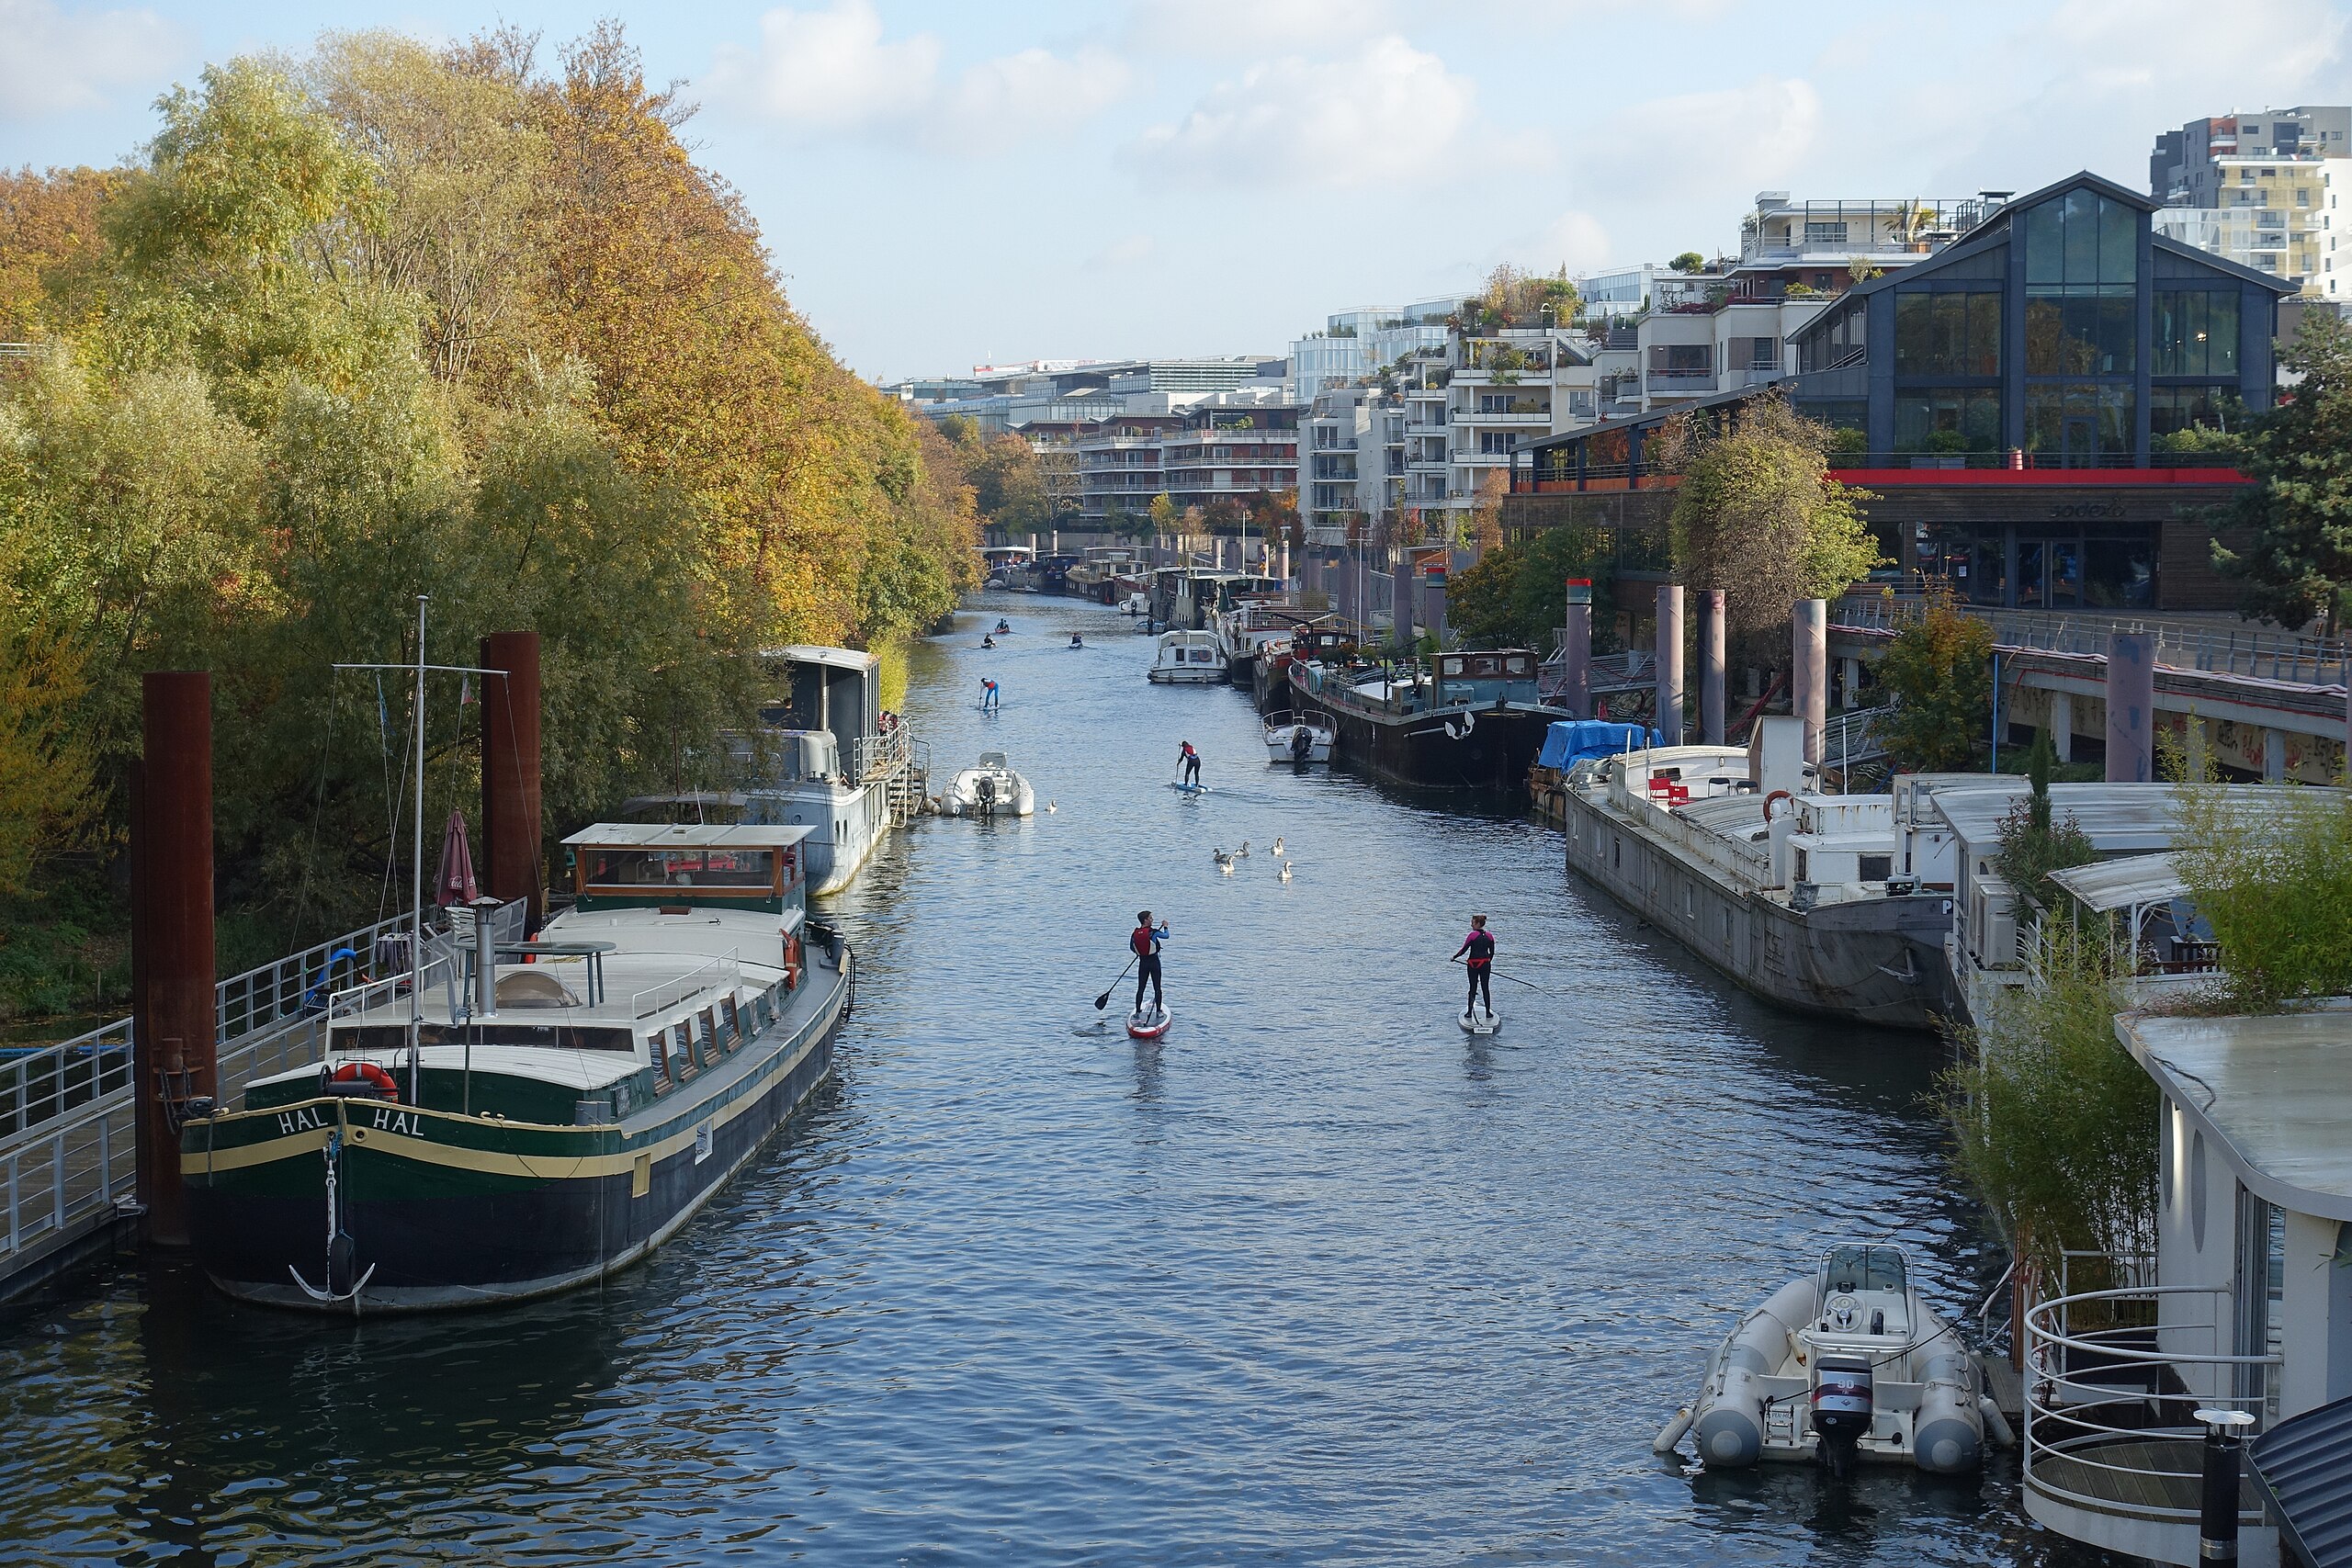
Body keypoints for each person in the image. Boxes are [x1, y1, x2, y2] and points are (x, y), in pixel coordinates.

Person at [1453, 915, 1496, 1019]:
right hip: (1485, 964)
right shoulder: (1490, 936)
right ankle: (1488, 1013)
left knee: (1473, 987)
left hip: (1473, 965)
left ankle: (1469, 1013)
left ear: (1477, 924)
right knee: (1485, 987)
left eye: (1472, 922)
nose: (1471, 924)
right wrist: (1488, 962)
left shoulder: (1472, 936)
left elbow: (1463, 950)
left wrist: (1454, 957)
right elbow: (1492, 953)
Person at [1131, 910, 1169, 1017]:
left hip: (1143, 963)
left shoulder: (1134, 934)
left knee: (1140, 988)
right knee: (1157, 987)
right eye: (1151, 918)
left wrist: (1141, 952)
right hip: (1154, 962)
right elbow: (1166, 936)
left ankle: (1138, 1011)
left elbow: (1132, 947)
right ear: (1145, 920)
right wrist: (1165, 926)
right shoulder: (1153, 932)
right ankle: (1158, 1011)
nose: (1152, 920)